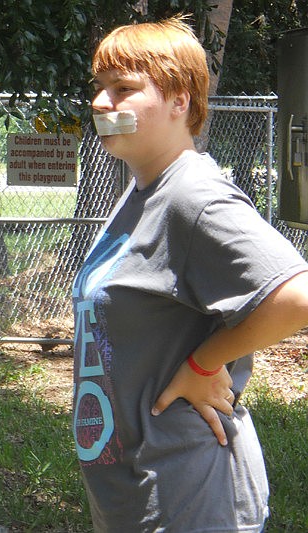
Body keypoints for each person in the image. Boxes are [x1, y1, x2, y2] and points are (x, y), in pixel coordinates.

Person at [72, 15, 308, 532]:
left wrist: (204, 365)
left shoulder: (192, 196)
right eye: (100, 87)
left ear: (181, 102)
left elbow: (297, 295)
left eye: (124, 89)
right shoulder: (142, 190)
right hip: (135, 492)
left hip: (191, 494)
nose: (101, 102)